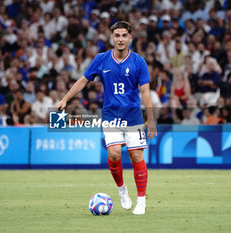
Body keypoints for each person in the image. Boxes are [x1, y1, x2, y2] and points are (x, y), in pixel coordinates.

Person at [57, 21, 156, 215]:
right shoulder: (101, 59)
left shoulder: (138, 62)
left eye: (124, 35)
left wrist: (151, 119)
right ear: (112, 37)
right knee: (114, 154)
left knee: (136, 156)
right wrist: (65, 98)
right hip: (111, 116)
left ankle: (141, 201)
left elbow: (145, 92)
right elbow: (83, 80)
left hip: (133, 117)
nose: (120, 39)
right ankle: (122, 190)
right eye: (117, 35)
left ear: (130, 38)